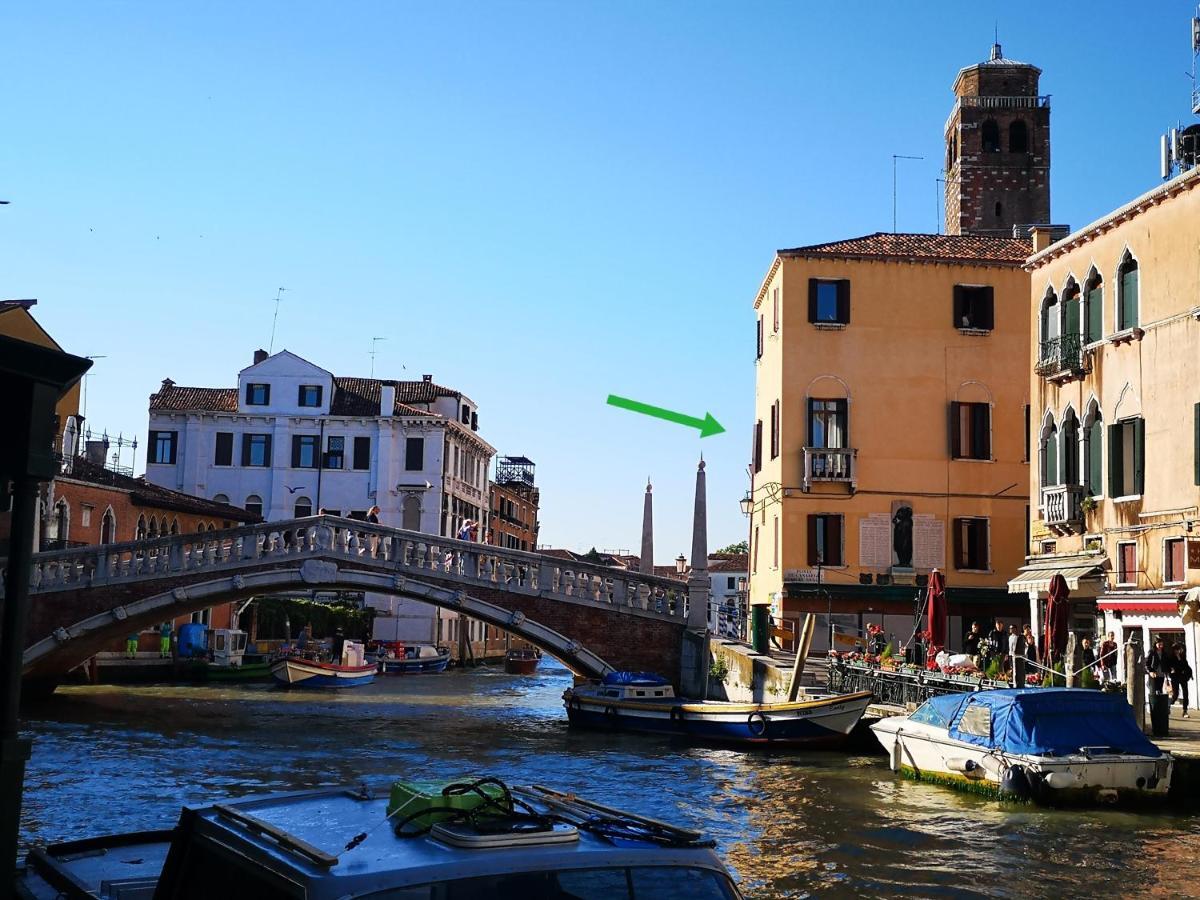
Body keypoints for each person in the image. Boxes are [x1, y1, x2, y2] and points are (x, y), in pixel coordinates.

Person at [1169, 643, 1193, 717]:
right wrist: (1172, 670)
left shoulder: (1182, 656)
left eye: (1178, 650)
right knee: (1175, 695)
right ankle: (1168, 705)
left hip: (1183, 677)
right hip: (1175, 677)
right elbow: (1171, 667)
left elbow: (1186, 666)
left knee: (1185, 693)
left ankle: (1185, 711)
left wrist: (1190, 674)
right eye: (1176, 650)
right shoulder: (1171, 658)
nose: (1177, 651)